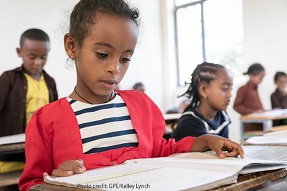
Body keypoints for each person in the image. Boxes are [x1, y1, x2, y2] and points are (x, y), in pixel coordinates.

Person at [18, 1, 244, 190]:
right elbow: (32, 183)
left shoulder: (141, 104)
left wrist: (203, 141)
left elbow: (161, 150)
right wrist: (54, 184)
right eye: (103, 54)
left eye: (125, 58)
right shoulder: (46, 120)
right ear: (72, 46)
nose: (115, 68)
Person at [0, 29, 58, 177]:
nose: (38, 62)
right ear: (19, 52)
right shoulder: (8, 79)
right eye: (32, 57)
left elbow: (55, 118)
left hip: (39, 155)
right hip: (10, 157)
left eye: (43, 57)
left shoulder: (50, 82)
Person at [171, 62, 232, 141]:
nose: (230, 94)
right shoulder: (190, 123)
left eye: (231, 89)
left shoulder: (222, 116)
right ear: (204, 90)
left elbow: (225, 148)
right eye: (225, 88)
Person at [233, 63, 265, 132]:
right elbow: (236, 106)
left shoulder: (255, 89)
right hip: (250, 126)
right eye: (260, 78)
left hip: (260, 124)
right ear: (251, 75)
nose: (261, 81)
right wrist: (252, 112)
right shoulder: (242, 89)